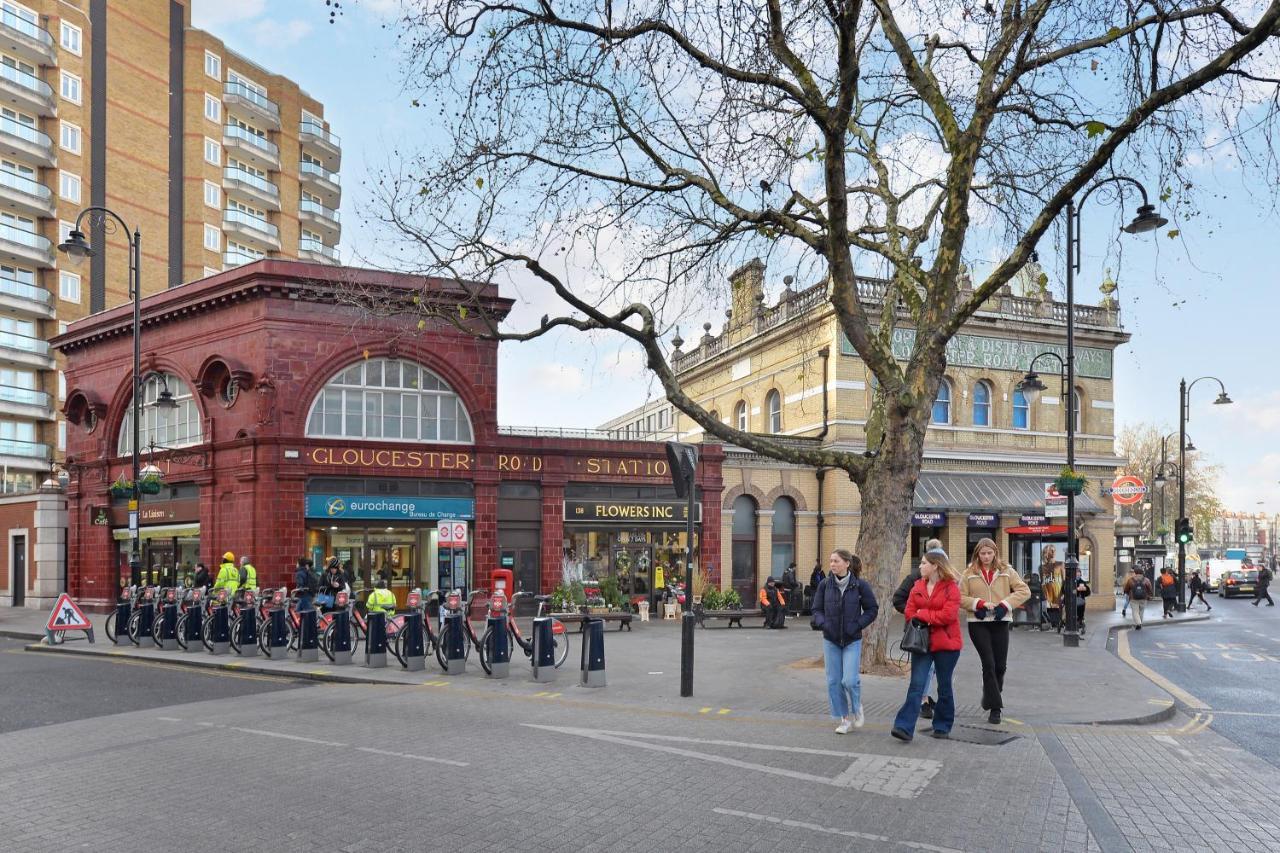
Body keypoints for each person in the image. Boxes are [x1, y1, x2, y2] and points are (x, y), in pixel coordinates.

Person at [891, 549, 962, 742]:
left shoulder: (951, 588)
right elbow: (909, 612)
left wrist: (924, 615)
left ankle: (942, 725)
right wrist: (928, 616)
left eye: (924, 563)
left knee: (944, 686)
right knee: (916, 685)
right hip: (921, 644)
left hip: (947, 645)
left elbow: (949, 616)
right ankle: (904, 727)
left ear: (935, 566)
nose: (920, 566)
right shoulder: (917, 586)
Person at [959, 537, 1030, 725]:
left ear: (995, 553)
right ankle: (995, 708)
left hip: (1000, 621)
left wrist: (1005, 605)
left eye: (989, 553)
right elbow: (959, 597)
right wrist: (977, 604)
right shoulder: (969, 573)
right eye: (982, 553)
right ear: (977, 554)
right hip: (978, 623)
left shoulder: (1007, 571)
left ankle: (989, 695)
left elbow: (1024, 591)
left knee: (1000, 666)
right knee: (989, 664)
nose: (986, 557)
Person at [811, 549, 879, 734]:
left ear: (847, 563)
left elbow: (872, 609)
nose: (832, 564)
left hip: (851, 639)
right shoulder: (824, 585)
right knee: (834, 681)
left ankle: (857, 708)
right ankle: (844, 719)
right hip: (831, 639)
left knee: (849, 680)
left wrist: (857, 625)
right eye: (831, 561)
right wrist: (824, 624)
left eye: (836, 561)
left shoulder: (860, 586)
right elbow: (816, 610)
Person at [892, 539, 943, 719]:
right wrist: (915, 614)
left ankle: (925, 696)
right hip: (919, 631)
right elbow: (898, 599)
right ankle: (923, 701)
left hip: (938, 630)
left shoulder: (945, 581)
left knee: (934, 668)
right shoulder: (914, 578)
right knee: (924, 668)